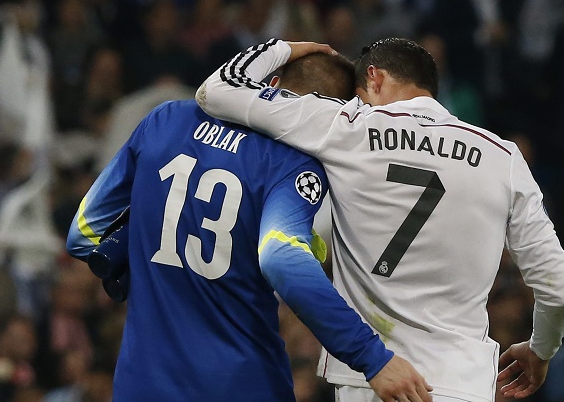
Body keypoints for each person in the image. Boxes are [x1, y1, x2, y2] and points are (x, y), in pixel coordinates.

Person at [197, 38, 564, 402]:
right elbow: (559, 288)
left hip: (373, 376)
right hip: (462, 382)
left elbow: (216, 91)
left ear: (375, 78)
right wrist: (541, 349)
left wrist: (285, 48)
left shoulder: (346, 125)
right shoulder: (503, 157)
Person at [66, 52, 433, 402]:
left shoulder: (164, 120)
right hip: (241, 383)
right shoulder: (293, 163)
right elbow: (282, 258)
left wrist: (156, 263)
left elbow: (83, 234)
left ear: (270, 82)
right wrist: (373, 359)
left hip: (141, 384)